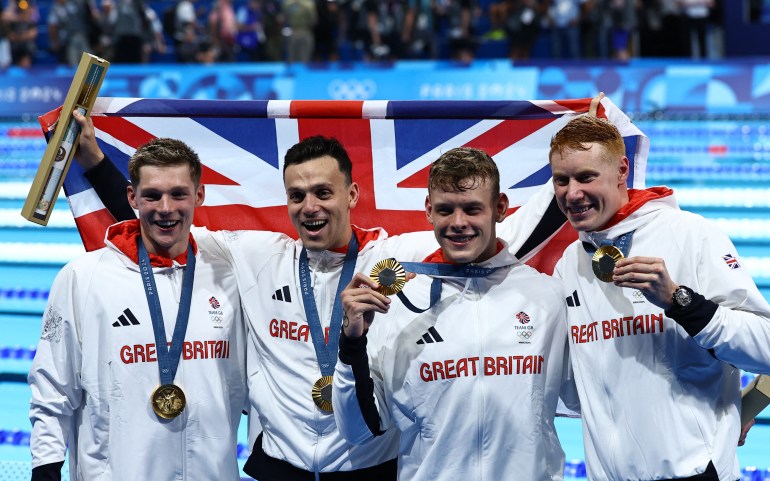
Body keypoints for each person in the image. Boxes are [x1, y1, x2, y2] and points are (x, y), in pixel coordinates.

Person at [74, 116, 542, 480]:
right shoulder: (257, 257)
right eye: (297, 195)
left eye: (323, 192)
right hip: (280, 471)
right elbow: (167, 220)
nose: (311, 206)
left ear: (352, 193)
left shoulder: (394, 256)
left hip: (368, 471)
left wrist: (580, 178)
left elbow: (495, 232)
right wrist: (95, 160)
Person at [333, 147, 577, 480]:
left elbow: (582, 397)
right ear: (429, 211)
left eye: (472, 209)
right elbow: (360, 430)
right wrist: (351, 344)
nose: (458, 223)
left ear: (500, 208)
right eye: (446, 210)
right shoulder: (397, 305)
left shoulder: (544, 297)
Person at [549, 113, 770, 481]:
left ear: (622, 170)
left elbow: (765, 345)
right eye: (562, 180)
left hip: (696, 474)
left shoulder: (690, 235)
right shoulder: (570, 264)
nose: (572, 193)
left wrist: (680, 301)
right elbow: (576, 392)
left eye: (586, 177)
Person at [28, 132, 248, 480]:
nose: (165, 208)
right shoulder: (83, 277)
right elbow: (53, 387)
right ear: (132, 197)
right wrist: (46, 465)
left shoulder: (230, 271)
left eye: (178, 194)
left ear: (199, 195)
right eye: (152, 195)